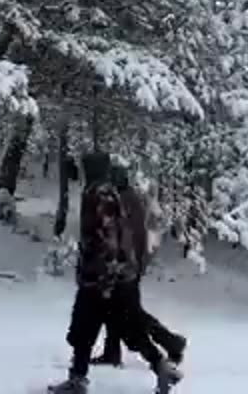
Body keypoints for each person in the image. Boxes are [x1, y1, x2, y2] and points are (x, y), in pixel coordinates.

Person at [48, 156, 182, 394]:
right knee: (128, 327)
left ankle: (78, 380)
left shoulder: (97, 195)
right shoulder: (113, 194)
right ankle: (161, 366)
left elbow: (107, 240)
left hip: (101, 279)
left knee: (83, 328)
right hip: (118, 276)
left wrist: (105, 278)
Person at [91, 165, 187, 368]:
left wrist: (123, 264)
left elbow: (129, 238)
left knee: (131, 314)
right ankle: (112, 352)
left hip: (126, 268)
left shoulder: (125, 201)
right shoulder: (126, 199)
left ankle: (171, 342)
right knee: (115, 311)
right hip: (128, 266)